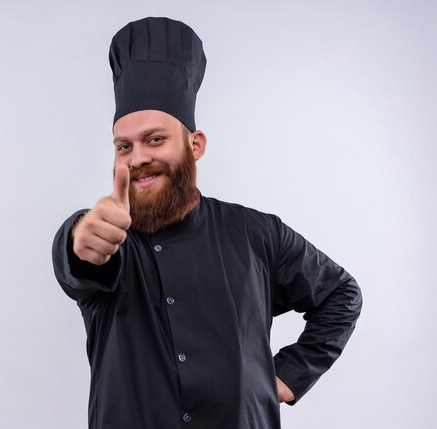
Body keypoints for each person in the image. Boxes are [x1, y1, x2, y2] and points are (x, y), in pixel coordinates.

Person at [52, 17, 362, 429]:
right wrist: (79, 239)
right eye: (124, 145)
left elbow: (340, 294)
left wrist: (289, 375)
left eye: (155, 139)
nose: (138, 156)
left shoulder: (257, 233)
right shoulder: (112, 241)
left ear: (194, 145)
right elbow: (81, 257)